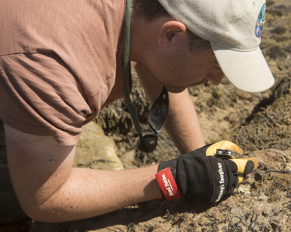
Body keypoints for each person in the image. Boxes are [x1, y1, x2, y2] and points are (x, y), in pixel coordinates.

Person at [0, 0, 274, 224]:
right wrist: (177, 177)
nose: (217, 79)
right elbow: (43, 199)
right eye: (216, 64)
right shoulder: (51, 67)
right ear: (170, 34)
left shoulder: (145, 14)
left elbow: (161, 62)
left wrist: (198, 157)